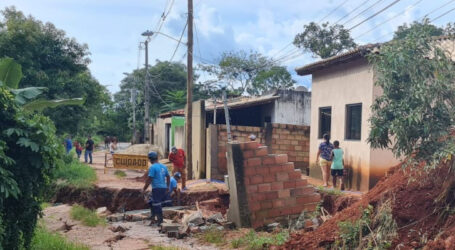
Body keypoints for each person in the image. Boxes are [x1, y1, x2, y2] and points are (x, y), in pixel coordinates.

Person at [142, 151, 170, 226]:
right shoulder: (164, 166)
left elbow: (149, 179)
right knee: (152, 202)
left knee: (157, 205)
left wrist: (144, 188)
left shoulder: (152, 167)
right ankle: (153, 217)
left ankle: (160, 221)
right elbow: (168, 176)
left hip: (157, 188)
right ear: (157, 158)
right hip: (163, 188)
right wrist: (167, 186)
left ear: (150, 160)